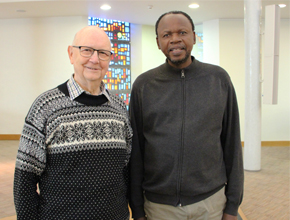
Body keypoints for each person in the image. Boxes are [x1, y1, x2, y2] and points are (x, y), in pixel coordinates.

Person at [129, 11, 244, 220]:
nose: (175, 39)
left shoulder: (218, 79)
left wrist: (232, 206)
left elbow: (232, 145)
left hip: (210, 203)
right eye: (166, 35)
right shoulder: (143, 86)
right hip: (159, 207)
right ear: (158, 42)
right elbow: (136, 151)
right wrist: (137, 210)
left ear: (193, 36)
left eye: (182, 32)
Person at [13, 26, 133, 220]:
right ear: (71, 54)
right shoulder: (45, 107)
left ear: (110, 59)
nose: (94, 59)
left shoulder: (119, 109)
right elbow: (24, 180)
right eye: (86, 50)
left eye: (103, 53)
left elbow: (125, 170)